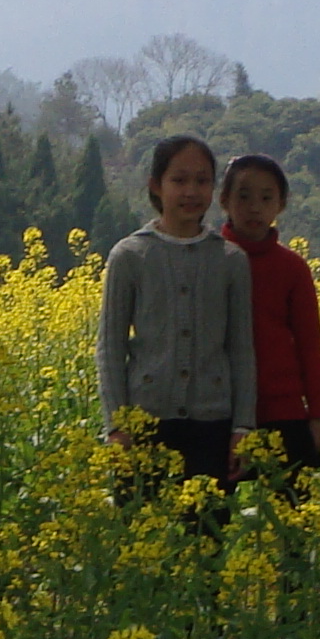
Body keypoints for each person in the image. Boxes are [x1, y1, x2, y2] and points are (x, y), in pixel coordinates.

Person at [97, 134, 256, 496]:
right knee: (142, 543)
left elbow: (242, 350)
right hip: (144, 425)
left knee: (205, 539)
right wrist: (117, 425)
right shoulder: (129, 256)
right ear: (156, 186)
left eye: (202, 181)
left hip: (212, 426)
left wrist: (243, 428)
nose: (191, 191)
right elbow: (110, 347)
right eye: (179, 180)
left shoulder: (231, 260)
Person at [220, 153, 320, 496]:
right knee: (208, 520)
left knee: (297, 524)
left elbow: (309, 345)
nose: (255, 208)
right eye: (244, 196)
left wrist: (316, 416)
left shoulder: (293, 268)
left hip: (283, 410)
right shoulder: (208, 259)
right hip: (219, 409)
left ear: (281, 204)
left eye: (266, 198)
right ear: (224, 201)